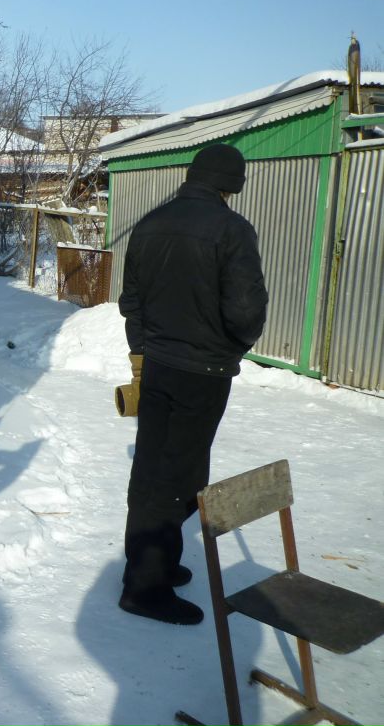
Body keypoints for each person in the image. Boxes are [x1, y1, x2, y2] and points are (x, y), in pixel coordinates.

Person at [117, 143, 268, 626]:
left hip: (158, 365)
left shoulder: (150, 223)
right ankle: (145, 588)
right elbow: (246, 313)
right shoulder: (232, 230)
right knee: (179, 478)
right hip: (202, 374)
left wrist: (142, 354)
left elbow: (132, 302)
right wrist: (230, 348)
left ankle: (152, 564)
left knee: (153, 469)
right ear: (231, 185)